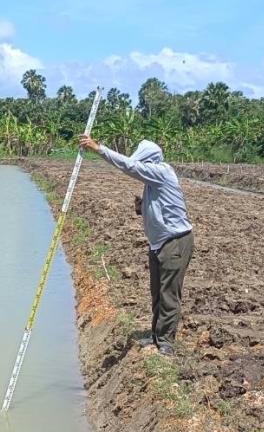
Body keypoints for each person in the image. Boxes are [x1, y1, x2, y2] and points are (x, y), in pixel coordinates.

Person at [77, 135, 194, 355]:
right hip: (159, 243)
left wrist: (98, 148)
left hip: (175, 242)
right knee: (157, 293)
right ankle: (156, 335)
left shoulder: (161, 172)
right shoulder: (152, 183)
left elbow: (129, 166)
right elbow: (161, 208)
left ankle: (166, 343)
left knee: (169, 294)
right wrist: (143, 208)